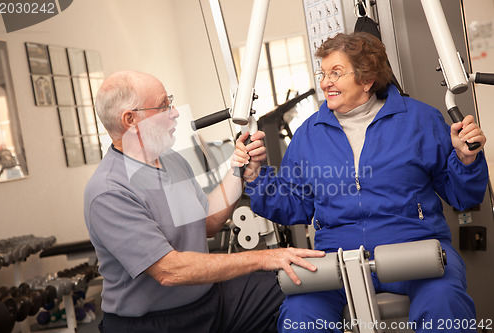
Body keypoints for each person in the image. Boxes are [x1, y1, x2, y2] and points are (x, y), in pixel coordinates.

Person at [233, 32, 488, 333]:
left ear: (367, 79)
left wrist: (466, 159)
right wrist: (254, 175)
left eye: (336, 73)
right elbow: (294, 205)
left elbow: (462, 196)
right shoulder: (309, 134)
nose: (325, 82)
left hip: (413, 250)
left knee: (445, 301)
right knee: (299, 316)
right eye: (323, 73)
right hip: (337, 262)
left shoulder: (420, 121)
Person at [83, 70, 325, 333]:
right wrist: (265, 258)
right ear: (130, 120)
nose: (175, 113)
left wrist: (239, 169)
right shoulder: (109, 191)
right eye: (164, 105)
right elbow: (170, 271)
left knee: (295, 287)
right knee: (277, 270)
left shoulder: (169, 159)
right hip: (152, 324)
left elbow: (207, 222)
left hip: (210, 301)